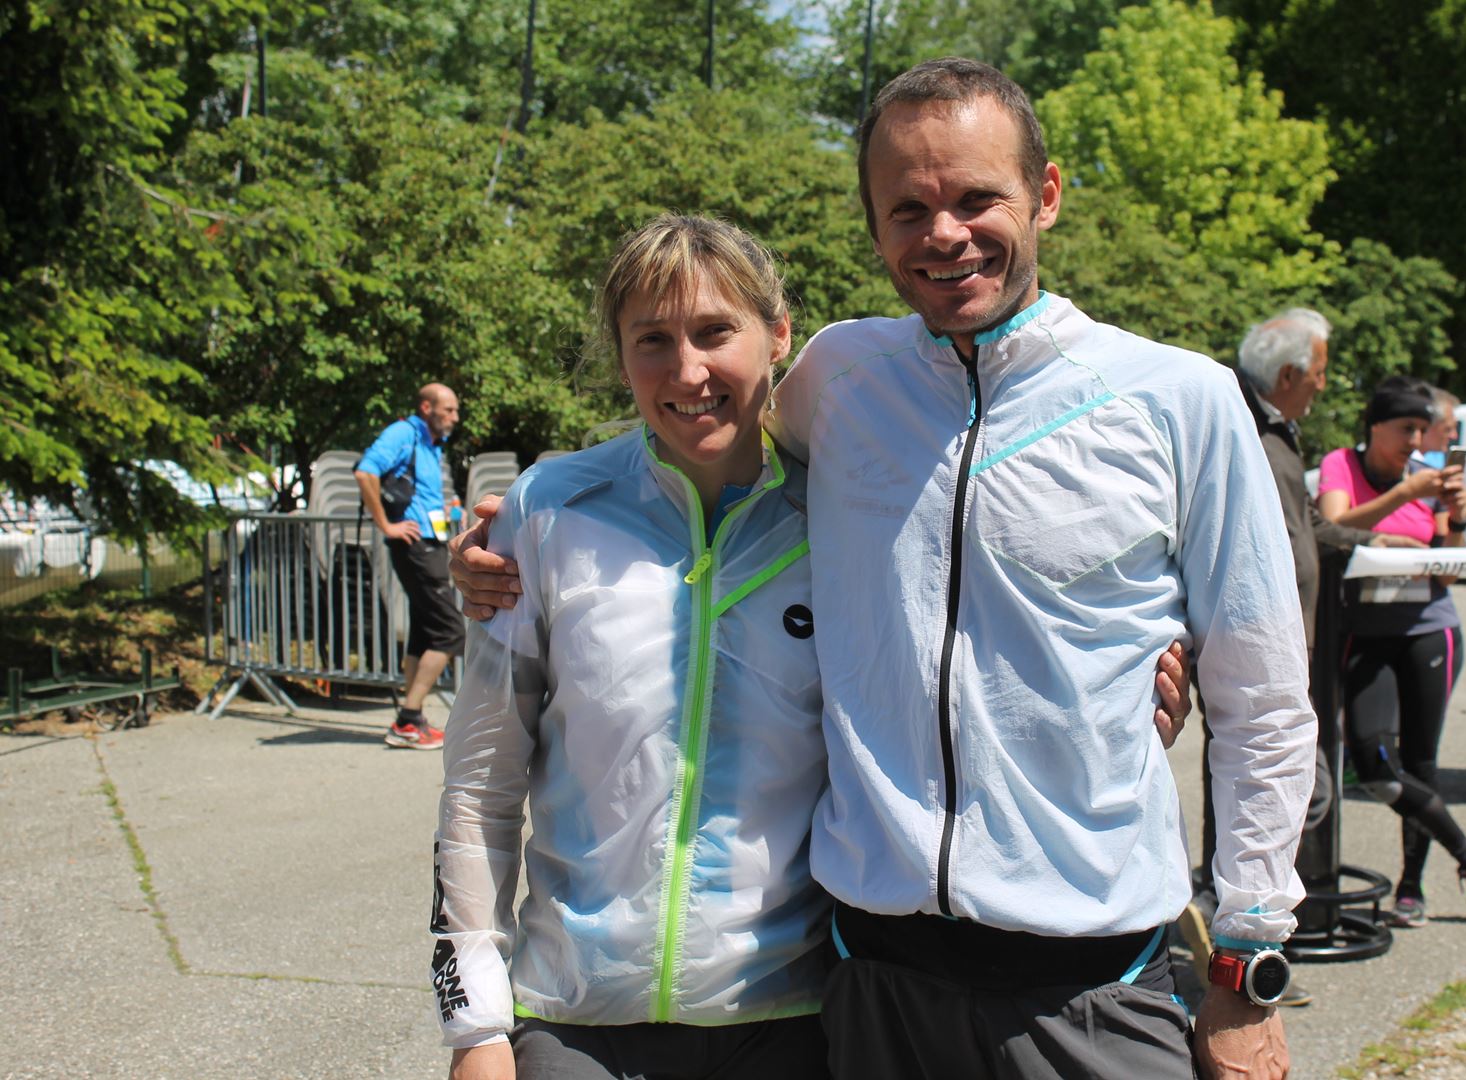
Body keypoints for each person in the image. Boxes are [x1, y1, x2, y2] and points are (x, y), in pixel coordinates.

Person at [452, 59, 1308, 1080]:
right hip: (870, 995)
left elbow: (1262, 701)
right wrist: (519, 527)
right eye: (907, 208)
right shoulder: (841, 378)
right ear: (873, 227)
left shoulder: (1179, 401)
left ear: (1044, 194)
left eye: (975, 198)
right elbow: (706, 445)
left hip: (1091, 987)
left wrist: (1247, 959)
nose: (943, 233)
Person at [434, 215, 836, 1080]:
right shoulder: (550, 511)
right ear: (621, 357)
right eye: (652, 339)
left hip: (790, 1017)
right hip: (577, 1017)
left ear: (777, 336)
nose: (687, 372)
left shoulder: (843, 518)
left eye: (715, 332)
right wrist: (475, 1025)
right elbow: (480, 785)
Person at [1185, 310, 1423, 1001]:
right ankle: (1229, 937)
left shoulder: (1274, 430)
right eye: (1318, 371)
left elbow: (1306, 526)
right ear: (1288, 374)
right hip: (1251, 644)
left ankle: (1222, 925)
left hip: (1281, 642)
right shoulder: (1242, 427)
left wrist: (1373, 541)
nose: (1323, 383)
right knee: (1282, 783)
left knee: (1266, 780)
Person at [1316, 376, 1466, 927]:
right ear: (1375, 426)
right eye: (1406, 429)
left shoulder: (1429, 475)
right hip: (1364, 635)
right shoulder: (1341, 465)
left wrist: (1456, 517)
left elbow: (1449, 571)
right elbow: (1332, 525)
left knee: (1422, 761)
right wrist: (1403, 497)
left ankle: (1411, 887)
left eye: (1423, 430)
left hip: (1429, 631)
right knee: (1375, 765)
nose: (1416, 441)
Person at [355, 382, 465, 749]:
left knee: (423, 633)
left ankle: (412, 721)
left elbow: (421, 494)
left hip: (429, 541)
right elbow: (365, 472)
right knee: (451, 632)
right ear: (426, 408)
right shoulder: (403, 433)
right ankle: (408, 717)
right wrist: (386, 525)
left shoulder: (431, 444)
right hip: (414, 545)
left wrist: (448, 510)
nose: (455, 417)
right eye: (448, 410)